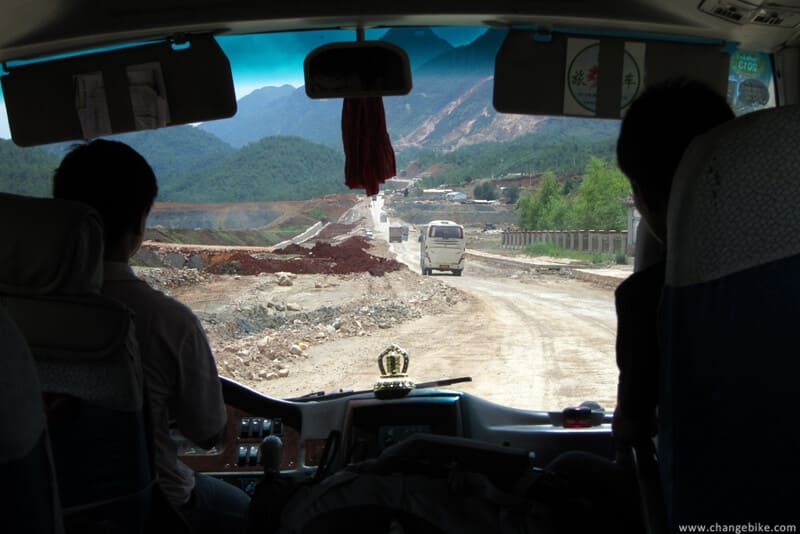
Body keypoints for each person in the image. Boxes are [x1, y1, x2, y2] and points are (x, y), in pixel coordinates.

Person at [52, 139, 251, 534]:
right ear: (141, 222)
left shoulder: (14, 317)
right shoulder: (167, 321)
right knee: (245, 509)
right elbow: (209, 432)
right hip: (149, 509)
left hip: (40, 508)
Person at [613, 79, 734, 454]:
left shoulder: (648, 299)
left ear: (646, 200)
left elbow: (632, 429)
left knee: (570, 465)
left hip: (696, 506)